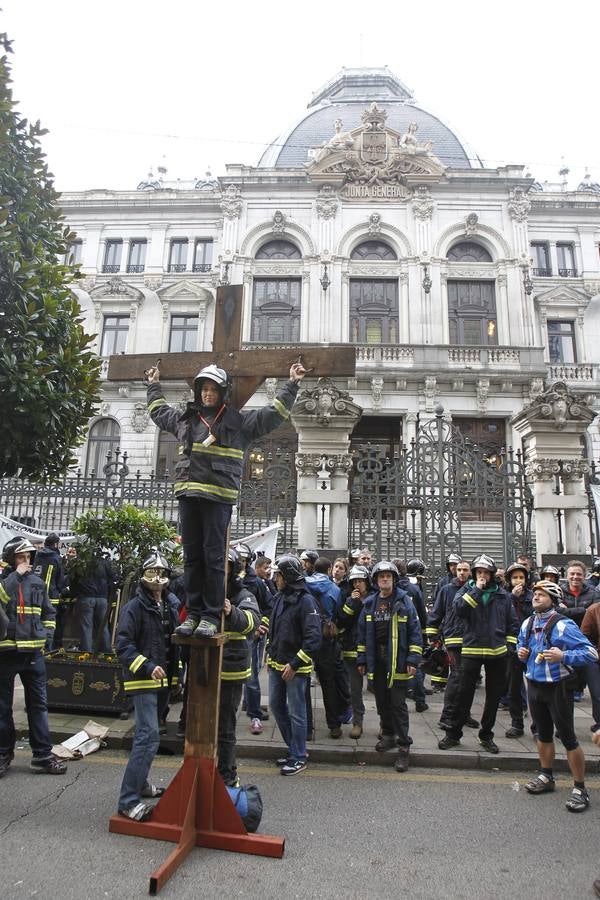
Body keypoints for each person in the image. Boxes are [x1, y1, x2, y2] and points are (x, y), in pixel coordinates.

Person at [146, 360, 306, 638]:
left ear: (222, 392)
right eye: (204, 389)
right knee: (192, 558)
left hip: (218, 500)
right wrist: (153, 385)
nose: (208, 394)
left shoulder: (237, 422)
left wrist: (292, 384)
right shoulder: (187, 420)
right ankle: (193, 613)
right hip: (188, 495)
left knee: (214, 558)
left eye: (213, 389)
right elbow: (159, 412)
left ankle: (210, 615)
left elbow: (272, 415)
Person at [518, 580, 598, 812]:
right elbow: (521, 647)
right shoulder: (528, 623)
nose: (536, 597)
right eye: (535, 593)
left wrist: (563, 656)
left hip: (558, 687)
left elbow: (590, 653)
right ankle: (546, 776)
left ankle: (580, 789)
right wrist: (521, 652)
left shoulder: (564, 625)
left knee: (568, 738)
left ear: (553, 600)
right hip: (534, 685)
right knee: (543, 735)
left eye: (542, 595)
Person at [115, 551, 179, 820]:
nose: (157, 578)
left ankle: (140, 785)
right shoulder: (134, 608)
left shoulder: (170, 604)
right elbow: (123, 646)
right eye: (153, 572)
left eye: (161, 573)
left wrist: (175, 677)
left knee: (152, 737)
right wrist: (148, 666)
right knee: (147, 737)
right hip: (143, 680)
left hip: (162, 681)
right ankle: (128, 800)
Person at [438, 554, 519, 754]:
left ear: (492, 575)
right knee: (463, 695)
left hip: (496, 653)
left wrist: (509, 647)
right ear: (474, 574)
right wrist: (476, 590)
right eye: (479, 572)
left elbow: (512, 624)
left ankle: (486, 736)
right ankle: (453, 734)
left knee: (493, 697)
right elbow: (460, 610)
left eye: (486, 573)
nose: (482, 576)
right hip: (471, 650)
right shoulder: (466, 590)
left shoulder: (503, 596)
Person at [0, 536, 67, 777]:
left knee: (38, 706)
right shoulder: (4, 581)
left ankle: (42, 756)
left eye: (28, 556)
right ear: (10, 559)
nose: (26, 561)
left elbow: (49, 612)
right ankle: (3, 755)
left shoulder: (37, 582)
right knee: (2, 708)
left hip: (33, 655)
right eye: (21, 557)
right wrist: (15, 576)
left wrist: (47, 637)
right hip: (6, 653)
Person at [357, 561, 423, 773]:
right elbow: (362, 634)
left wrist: (413, 659)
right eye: (381, 576)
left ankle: (404, 746)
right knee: (382, 701)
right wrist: (362, 660)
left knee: (398, 704)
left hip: (399, 661)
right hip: (377, 661)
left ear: (394, 579)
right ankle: (388, 735)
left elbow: (415, 631)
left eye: (388, 576)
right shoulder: (369, 603)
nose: (385, 579)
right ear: (376, 580)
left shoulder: (404, 601)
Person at [267, 555, 322, 776]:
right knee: (275, 705)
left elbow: (314, 638)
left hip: (295, 669)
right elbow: (276, 628)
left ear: (287, 576)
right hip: (276, 663)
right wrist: (270, 653)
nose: (275, 579)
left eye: (278, 575)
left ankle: (299, 756)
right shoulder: (280, 597)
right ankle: (294, 749)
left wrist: (295, 663)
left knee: (297, 713)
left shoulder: (306, 601)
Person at [217, 549, 260, 786]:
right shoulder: (206, 591)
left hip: (231, 672)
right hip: (206, 669)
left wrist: (230, 611)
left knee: (225, 728)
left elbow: (251, 622)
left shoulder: (244, 594)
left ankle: (228, 775)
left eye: (225, 565)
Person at [426, 559, 479, 730]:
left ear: (470, 572)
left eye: (465, 570)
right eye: (459, 569)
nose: (462, 572)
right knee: (457, 676)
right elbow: (437, 612)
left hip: (471, 639)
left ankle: (464, 714)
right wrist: (433, 634)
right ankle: (447, 716)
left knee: (468, 678)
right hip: (453, 639)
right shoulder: (447, 589)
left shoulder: (475, 590)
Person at [305, 556, 351, 738]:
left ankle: (306, 727)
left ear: (313, 568)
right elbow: (338, 613)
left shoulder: (304, 583)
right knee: (328, 683)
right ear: (329, 568)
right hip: (325, 638)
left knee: (303, 682)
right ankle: (334, 725)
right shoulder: (334, 589)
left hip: (306, 635)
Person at [337, 564, 371, 738]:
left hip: (373, 650)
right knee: (355, 690)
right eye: (354, 581)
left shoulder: (376, 598)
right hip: (353, 649)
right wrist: (352, 602)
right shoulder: (348, 598)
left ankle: (386, 724)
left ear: (367, 582)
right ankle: (358, 723)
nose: (358, 584)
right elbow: (342, 621)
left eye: (360, 581)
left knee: (381, 691)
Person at [244, 553, 274, 734]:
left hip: (251, 637)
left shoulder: (257, 583)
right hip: (232, 637)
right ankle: (248, 703)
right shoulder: (227, 582)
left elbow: (269, 606)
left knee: (252, 674)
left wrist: (260, 627)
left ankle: (254, 713)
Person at [503, 562, 533, 738]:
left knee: (535, 686)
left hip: (532, 646)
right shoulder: (505, 596)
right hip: (513, 646)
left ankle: (538, 726)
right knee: (513, 687)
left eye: (521, 577)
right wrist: (512, 597)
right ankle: (517, 723)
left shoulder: (533, 596)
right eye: (515, 577)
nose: (518, 580)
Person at [70, 547, 116, 653]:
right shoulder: (105, 563)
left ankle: (87, 653)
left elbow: (73, 581)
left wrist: (74, 594)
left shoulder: (81, 564)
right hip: (102, 598)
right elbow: (113, 579)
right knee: (103, 626)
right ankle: (107, 653)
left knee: (87, 627)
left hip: (86, 597)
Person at [559, 559, 600, 625]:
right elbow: (556, 611)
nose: (575, 577)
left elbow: (595, 615)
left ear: (584, 576)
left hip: (585, 630)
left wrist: (566, 611)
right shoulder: (558, 593)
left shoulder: (594, 594)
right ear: (567, 576)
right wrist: (584, 610)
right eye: (572, 574)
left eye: (579, 574)